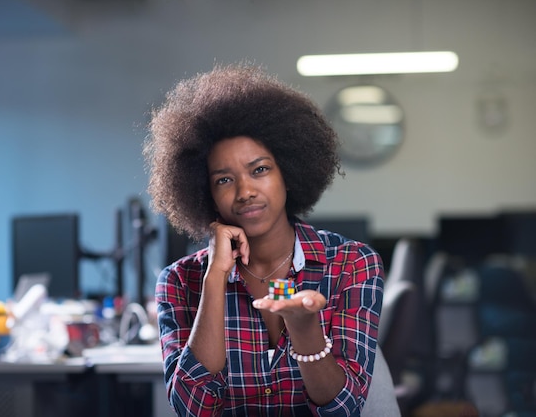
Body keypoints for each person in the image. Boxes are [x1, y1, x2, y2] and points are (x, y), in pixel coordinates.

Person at [144, 63, 384, 416]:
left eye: (260, 170)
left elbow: (343, 408)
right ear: (205, 192)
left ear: (288, 173)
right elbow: (192, 407)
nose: (245, 192)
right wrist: (215, 278)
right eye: (224, 180)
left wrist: (304, 331)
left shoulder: (352, 264)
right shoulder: (180, 281)